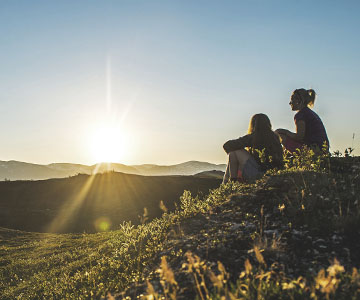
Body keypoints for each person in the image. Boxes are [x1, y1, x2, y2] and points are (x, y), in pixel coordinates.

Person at [223, 113, 284, 184]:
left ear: (253, 125)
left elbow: (227, 145)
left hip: (258, 174)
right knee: (233, 153)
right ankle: (230, 182)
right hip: (274, 173)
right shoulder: (275, 137)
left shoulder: (254, 137)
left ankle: (230, 182)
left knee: (233, 153)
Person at [276, 88, 329, 153]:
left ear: (299, 101)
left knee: (280, 135)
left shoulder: (300, 115)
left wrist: (285, 132)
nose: (290, 103)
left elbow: (299, 137)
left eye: (292, 100)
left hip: (313, 150)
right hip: (322, 149)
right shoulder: (310, 113)